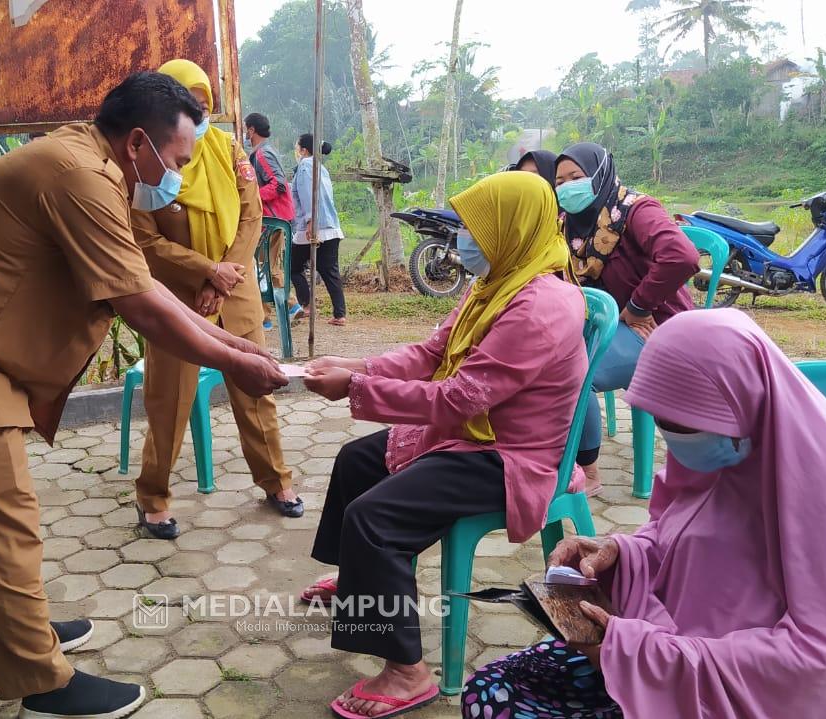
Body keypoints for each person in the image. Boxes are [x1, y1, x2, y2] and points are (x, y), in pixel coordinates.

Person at [0, 72, 288, 719]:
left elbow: (141, 283)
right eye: (177, 160)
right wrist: (233, 358)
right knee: (2, 522)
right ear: (139, 142)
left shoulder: (86, 162)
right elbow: (139, 302)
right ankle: (42, 680)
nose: (178, 175)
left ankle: (14, 639)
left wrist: (237, 348)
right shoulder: (79, 176)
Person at [462, 309, 826, 719]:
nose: (677, 443)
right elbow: (674, 533)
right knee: (490, 688)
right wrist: (619, 553)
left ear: (741, 401)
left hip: (750, 687)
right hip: (675, 646)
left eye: (686, 428)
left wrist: (643, 653)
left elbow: (823, 659)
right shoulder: (727, 442)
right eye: (666, 425)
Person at [300, 172, 588, 719]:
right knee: (357, 459)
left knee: (373, 518)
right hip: (474, 434)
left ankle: (407, 673)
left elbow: (458, 398)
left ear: (510, 228)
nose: (463, 241)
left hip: (510, 455)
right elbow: (432, 354)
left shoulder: (542, 305)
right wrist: (354, 366)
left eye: (475, 230)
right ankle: (360, 583)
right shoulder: (498, 283)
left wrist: (356, 388)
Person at [129, 59, 302, 539]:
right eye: (189, 107)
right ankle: (153, 497)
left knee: (256, 389)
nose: (199, 116)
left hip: (236, 285)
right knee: (169, 398)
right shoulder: (148, 159)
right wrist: (205, 270)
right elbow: (144, 238)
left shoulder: (228, 148)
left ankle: (277, 482)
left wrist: (224, 274)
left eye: (204, 107)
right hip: (176, 295)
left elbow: (251, 214)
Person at [555, 142, 699, 495]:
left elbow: (681, 256)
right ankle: (549, 458)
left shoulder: (635, 210)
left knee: (573, 371)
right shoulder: (568, 224)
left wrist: (638, 306)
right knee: (540, 358)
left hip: (655, 329)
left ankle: (586, 472)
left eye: (577, 177)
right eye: (559, 181)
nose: (567, 187)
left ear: (600, 174)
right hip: (605, 326)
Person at [243, 111, 301, 326]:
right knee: (265, 263)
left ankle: (279, 310)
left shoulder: (262, 155)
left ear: (251, 130)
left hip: (272, 217)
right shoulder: (264, 152)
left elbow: (277, 183)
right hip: (275, 217)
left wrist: (253, 196)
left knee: (262, 265)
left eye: (245, 128)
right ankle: (271, 313)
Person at [290, 134, 347, 325]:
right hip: (330, 225)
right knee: (329, 270)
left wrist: (309, 220)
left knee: (294, 267)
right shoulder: (321, 168)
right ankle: (340, 314)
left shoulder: (306, 166)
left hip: (313, 227)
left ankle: (306, 305)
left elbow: (308, 194)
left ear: (304, 150)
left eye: (297, 147)